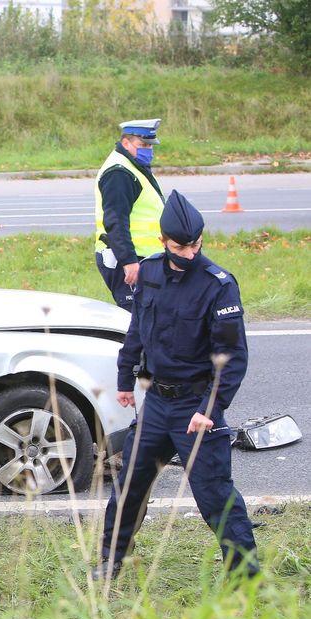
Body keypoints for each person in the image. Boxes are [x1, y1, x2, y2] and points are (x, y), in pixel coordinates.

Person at [94, 190, 258, 581]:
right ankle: (112, 561)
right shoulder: (148, 272)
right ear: (162, 242)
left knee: (215, 494)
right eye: (181, 246)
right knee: (128, 487)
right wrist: (124, 378)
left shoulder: (217, 285)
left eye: (196, 245)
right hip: (155, 404)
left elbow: (232, 357)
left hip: (195, 407)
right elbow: (137, 330)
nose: (190, 253)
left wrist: (210, 410)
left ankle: (246, 575)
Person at [94, 118, 166, 311]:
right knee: (137, 324)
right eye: (143, 145)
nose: (148, 150)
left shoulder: (132, 165)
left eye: (150, 146)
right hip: (127, 261)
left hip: (142, 257)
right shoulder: (119, 173)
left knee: (150, 319)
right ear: (125, 143)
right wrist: (129, 261)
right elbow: (115, 220)